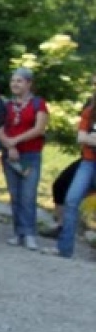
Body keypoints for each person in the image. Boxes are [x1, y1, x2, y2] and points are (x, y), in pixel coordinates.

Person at [0, 68, 49, 251]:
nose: (15, 84)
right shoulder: (6, 105)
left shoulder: (38, 104)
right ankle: (18, 232)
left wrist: (15, 141)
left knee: (28, 195)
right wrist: (9, 146)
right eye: (13, 81)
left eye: (19, 81)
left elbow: (39, 128)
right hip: (10, 156)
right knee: (15, 195)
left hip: (30, 155)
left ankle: (29, 233)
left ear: (29, 83)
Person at [54, 74, 96, 260]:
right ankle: (65, 248)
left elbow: (87, 137)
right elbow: (81, 137)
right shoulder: (90, 109)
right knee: (71, 200)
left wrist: (91, 139)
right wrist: (89, 139)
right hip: (88, 161)